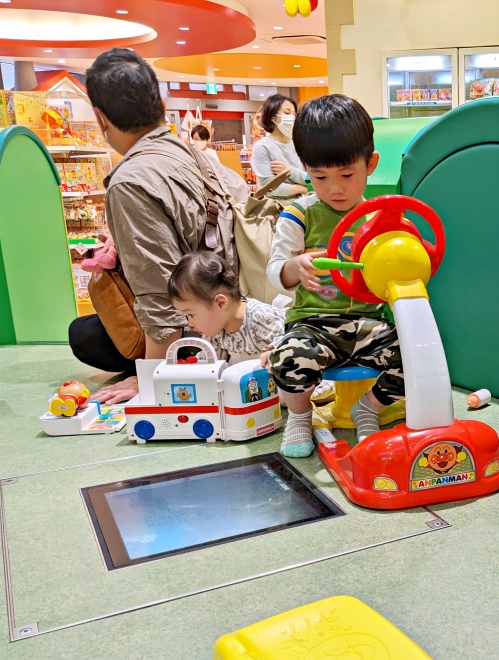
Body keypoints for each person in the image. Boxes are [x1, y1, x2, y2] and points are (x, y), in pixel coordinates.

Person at [70, 48, 236, 405]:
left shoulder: (129, 181)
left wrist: (149, 380)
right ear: (160, 102)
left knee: (84, 335)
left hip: (204, 334)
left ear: (100, 118)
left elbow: (159, 297)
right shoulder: (196, 154)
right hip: (238, 308)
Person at [262, 95, 401, 458]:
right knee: (287, 359)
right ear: (306, 168)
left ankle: (368, 407)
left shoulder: (380, 218)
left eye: (346, 175)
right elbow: (276, 272)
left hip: (368, 324)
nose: (334, 188)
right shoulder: (300, 214)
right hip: (314, 324)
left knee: (419, 352)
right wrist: (297, 266)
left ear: (370, 164)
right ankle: (299, 414)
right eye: (320, 176)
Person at [168, 252, 284, 365]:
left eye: (191, 314)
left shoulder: (259, 317)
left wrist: (275, 352)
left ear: (220, 303)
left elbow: (292, 333)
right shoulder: (215, 329)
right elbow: (212, 363)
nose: (190, 323)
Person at [250, 95, 308, 200]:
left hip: (303, 205)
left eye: (294, 114)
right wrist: (301, 188)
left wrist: (290, 171)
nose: (292, 117)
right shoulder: (262, 147)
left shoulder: (298, 145)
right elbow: (268, 188)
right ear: (272, 116)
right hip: (277, 209)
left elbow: (311, 179)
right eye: (287, 113)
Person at [190, 124, 251, 205]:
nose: (199, 142)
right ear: (192, 139)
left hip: (210, 187)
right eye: (196, 139)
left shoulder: (211, 153)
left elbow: (218, 171)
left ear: (207, 139)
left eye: (202, 139)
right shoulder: (190, 153)